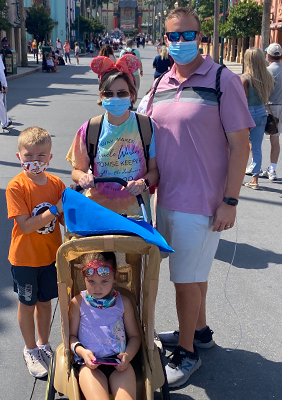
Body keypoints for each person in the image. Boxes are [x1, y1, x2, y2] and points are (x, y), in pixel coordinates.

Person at [145, 7, 254, 387]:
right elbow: (140, 133)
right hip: (167, 200)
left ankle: (187, 352)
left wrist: (231, 200)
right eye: (173, 36)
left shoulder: (223, 80)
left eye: (187, 35)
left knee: (184, 281)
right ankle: (201, 332)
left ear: (200, 35)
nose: (180, 42)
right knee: (194, 276)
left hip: (204, 203)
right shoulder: (160, 84)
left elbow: (240, 146)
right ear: (165, 39)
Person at [66, 54, 159, 220]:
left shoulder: (146, 126)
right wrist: (84, 177)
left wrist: (142, 183)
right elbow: (76, 171)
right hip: (97, 214)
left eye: (121, 93)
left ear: (132, 95)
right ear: (101, 97)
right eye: (109, 94)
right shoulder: (90, 129)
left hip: (136, 215)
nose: (115, 98)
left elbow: (154, 171)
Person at [6, 127, 65, 378]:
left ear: (50, 158)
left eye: (41, 155)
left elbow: (65, 220)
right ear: (19, 156)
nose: (35, 161)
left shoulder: (56, 183)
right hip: (25, 259)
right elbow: (27, 225)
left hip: (51, 257)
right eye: (29, 156)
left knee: (45, 302)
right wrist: (55, 209)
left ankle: (43, 344)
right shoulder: (16, 187)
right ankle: (30, 349)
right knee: (27, 303)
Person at [69, 252, 141, 400]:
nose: (97, 287)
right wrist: (82, 352)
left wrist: (127, 357)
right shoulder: (78, 303)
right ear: (84, 278)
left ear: (115, 277)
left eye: (104, 281)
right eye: (91, 281)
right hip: (89, 364)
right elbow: (70, 337)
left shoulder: (124, 302)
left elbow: (135, 337)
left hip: (119, 364)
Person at [241, 48, 274, 190]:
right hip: (262, 112)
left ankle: (236, 176)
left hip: (248, 113)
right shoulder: (267, 77)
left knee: (240, 148)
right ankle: (255, 179)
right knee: (257, 147)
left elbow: (242, 100)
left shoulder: (245, 78)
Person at [260, 43, 282, 181]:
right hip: (281, 107)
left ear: (268, 56)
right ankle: (272, 169)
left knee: (256, 137)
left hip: (269, 108)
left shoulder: (267, 72)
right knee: (275, 139)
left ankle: (255, 166)